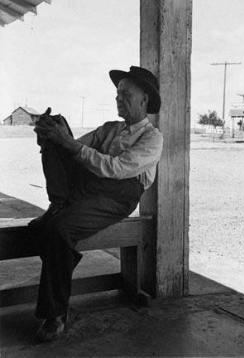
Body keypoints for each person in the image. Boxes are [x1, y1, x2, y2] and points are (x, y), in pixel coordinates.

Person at [29, 66, 163, 342]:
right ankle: (60, 203)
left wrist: (69, 144)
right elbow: (71, 148)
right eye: (117, 93)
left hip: (117, 195)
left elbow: (114, 168)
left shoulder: (152, 138)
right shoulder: (110, 129)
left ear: (144, 100)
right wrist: (50, 132)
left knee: (56, 230)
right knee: (57, 129)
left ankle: (55, 314)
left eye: (125, 94)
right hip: (88, 188)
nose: (118, 98)